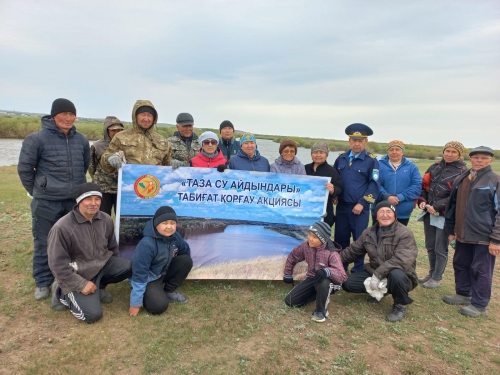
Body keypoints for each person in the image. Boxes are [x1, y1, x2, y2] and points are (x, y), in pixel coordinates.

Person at [18, 98, 90, 300]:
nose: (68, 118)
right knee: (44, 242)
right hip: (46, 201)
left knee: (73, 243)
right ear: (53, 115)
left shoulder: (81, 140)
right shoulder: (36, 139)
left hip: (73, 202)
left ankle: (71, 278)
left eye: (71, 114)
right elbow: (25, 169)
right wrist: (37, 190)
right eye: (64, 114)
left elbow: (84, 166)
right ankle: (42, 282)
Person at [47, 183, 132, 323]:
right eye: (88, 199)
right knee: (92, 315)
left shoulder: (106, 219)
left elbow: (112, 247)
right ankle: (62, 292)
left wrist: (116, 267)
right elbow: (57, 264)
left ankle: (99, 286)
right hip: (78, 273)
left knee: (128, 266)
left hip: (100, 266)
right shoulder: (62, 227)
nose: (93, 203)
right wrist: (80, 284)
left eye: (97, 199)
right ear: (79, 201)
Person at [443, 146, 500, 317]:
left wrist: (496, 240)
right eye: (476, 157)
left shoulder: (494, 180)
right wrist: (452, 229)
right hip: (462, 234)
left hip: (484, 237)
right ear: (470, 159)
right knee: (460, 264)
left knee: (480, 270)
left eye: (484, 158)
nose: (479, 161)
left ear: (491, 160)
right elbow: (453, 205)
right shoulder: (463, 178)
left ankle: (480, 304)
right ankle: (463, 294)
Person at [340, 201, 418, 322]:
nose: (385, 215)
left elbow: (402, 260)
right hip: (375, 271)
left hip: (402, 275)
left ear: (395, 215)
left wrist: (378, 274)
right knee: (348, 283)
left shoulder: (404, 233)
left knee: (396, 275)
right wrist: (331, 262)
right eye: (381, 211)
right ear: (376, 215)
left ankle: (399, 305)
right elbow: (352, 251)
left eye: (389, 212)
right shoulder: (368, 232)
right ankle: (382, 290)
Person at [417, 141, 467, 289]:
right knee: (430, 245)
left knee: (440, 247)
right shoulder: (435, 166)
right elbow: (424, 186)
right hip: (429, 212)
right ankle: (431, 273)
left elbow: (458, 195)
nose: (449, 154)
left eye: (453, 152)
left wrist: (437, 206)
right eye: (447, 151)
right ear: (443, 151)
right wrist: (422, 200)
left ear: (459, 154)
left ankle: (437, 278)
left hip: (446, 214)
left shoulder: (463, 171)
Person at [129, 206, 193, 316]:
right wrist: (135, 303)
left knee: (186, 260)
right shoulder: (146, 244)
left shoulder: (176, 237)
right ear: (156, 224)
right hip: (149, 278)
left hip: (164, 271)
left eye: (172, 223)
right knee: (158, 306)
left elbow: (185, 251)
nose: (169, 227)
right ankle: (148, 294)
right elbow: (139, 273)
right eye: (165, 223)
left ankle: (169, 291)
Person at [333, 123, 380, 273]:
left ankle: (357, 271)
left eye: (360, 140)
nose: (357, 143)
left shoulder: (372, 160)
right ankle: (340, 268)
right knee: (341, 239)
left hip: (359, 208)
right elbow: (335, 180)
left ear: (366, 141)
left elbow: (375, 184)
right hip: (342, 207)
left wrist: (362, 203)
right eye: (354, 140)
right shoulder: (341, 158)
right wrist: (335, 195)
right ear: (349, 141)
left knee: (359, 241)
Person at [283, 221, 347, 322]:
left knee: (323, 283)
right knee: (290, 301)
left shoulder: (332, 253)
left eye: (314, 237)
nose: (310, 239)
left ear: (323, 239)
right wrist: (287, 273)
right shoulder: (306, 246)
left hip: (330, 282)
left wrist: (327, 271)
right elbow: (293, 256)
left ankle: (321, 310)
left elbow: (342, 277)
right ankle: (320, 295)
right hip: (313, 278)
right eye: (309, 234)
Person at [101, 100, 172, 173]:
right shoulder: (120, 137)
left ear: (154, 118)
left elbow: (167, 163)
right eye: (143, 114)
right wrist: (109, 158)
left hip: (154, 182)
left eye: (149, 115)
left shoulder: (162, 141)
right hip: (128, 183)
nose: (146, 119)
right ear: (135, 116)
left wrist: (173, 164)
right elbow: (106, 165)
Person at [376, 140, 422, 226]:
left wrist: (400, 197)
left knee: (399, 237)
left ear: (402, 152)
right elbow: (375, 183)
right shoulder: (378, 165)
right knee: (379, 237)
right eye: (391, 149)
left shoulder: (412, 167)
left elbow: (416, 186)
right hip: (381, 209)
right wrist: (387, 196)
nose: (394, 152)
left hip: (403, 211)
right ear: (387, 152)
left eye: (397, 149)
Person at [88, 116, 124, 216]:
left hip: (121, 189)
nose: (117, 133)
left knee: (121, 217)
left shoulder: (126, 145)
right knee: (101, 217)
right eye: (113, 130)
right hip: (103, 189)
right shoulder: (97, 145)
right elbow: (92, 166)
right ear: (106, 131)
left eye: (119, 130)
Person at [304, 141, 342, 227]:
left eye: (321, 153)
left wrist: (333, 190)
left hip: (324, 210)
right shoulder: (305, 168)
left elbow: (339, 188)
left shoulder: (331, 171)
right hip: (306, 209)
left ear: (326, 155)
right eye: (315, 152)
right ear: (311, 154)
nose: (318, 155)